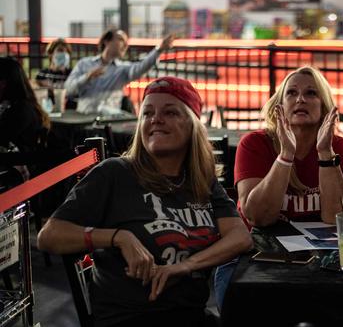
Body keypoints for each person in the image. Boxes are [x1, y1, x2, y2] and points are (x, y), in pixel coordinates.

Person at [37, 76, 252, 326]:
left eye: (170, 112)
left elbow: (240, 237)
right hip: (129, 319)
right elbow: (49, 236)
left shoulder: (200, 181)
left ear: (193, 125)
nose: (155, 119)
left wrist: (184, 266)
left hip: (190, 315)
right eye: (147, 113)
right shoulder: (115, 173)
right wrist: (118, 237)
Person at [235, 66, 343, 226]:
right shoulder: (254, 143)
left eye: (311, 93)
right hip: (264, 247)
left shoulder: (341, 148)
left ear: (323, 107)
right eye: (292, 93)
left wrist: (325, 154)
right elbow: (257, 217)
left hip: (319, 248)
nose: (300, 99)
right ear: (280, 106)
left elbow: (337, 219)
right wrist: (285, 156)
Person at [64, 28, 174, 115]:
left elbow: (141, 67)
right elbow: (68, 89)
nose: (126, 45)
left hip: (110, 121)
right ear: (107, 41)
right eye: (121, 40)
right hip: (85, 117)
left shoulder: (123, 69)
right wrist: (87, 77)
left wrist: (159, 49)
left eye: (127, 42)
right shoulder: (84, 64)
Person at [0, 57, 50, 154]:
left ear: (4, 83)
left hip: (21, 164)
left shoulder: (20, 110)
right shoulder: (18, 105)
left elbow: (3, 137)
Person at [35, 38, 75, 111]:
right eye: (60, 51)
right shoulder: (42, 74)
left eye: (67, 52)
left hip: (68, 111)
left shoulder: (72, 74)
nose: (64, 54)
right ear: (51, 54)